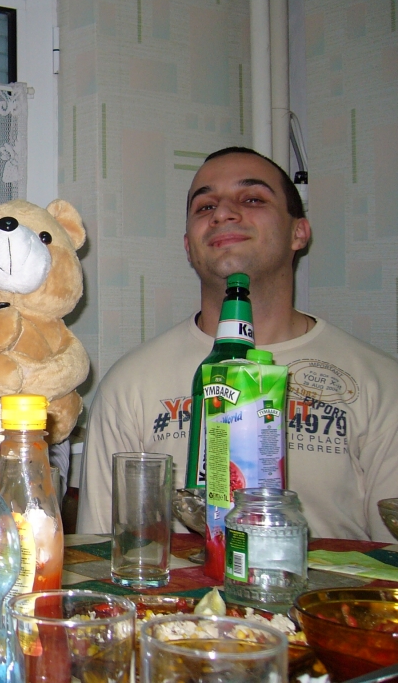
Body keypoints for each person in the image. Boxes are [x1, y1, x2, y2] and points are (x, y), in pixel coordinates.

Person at [78, 146, 398, 542]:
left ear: (299, 231)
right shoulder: (130, 385)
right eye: (204, 206)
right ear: (188, 245)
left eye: (252, 199)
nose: (223, 213)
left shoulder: (381, 383)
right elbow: (103, 554)